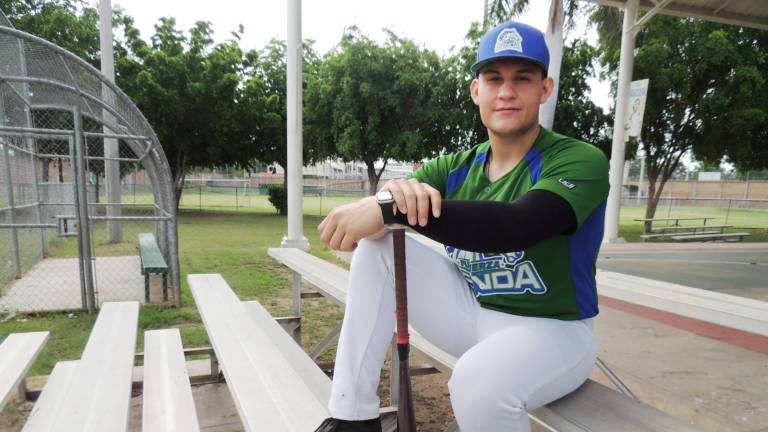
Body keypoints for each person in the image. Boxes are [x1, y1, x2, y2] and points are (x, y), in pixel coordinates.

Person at [314, 20, 609, 432]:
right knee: (380, 250)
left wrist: (388, 210)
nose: (506, 91)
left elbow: (516, 225)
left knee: (477, 383)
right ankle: (352, 419)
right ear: (477, 91)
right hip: (473, 314)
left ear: (545, 88)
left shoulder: (579, 159)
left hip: (555, 332)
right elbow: (384, 213)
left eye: (522, 78)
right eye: (494, 78)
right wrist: (380, 202)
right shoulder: (454, 166)